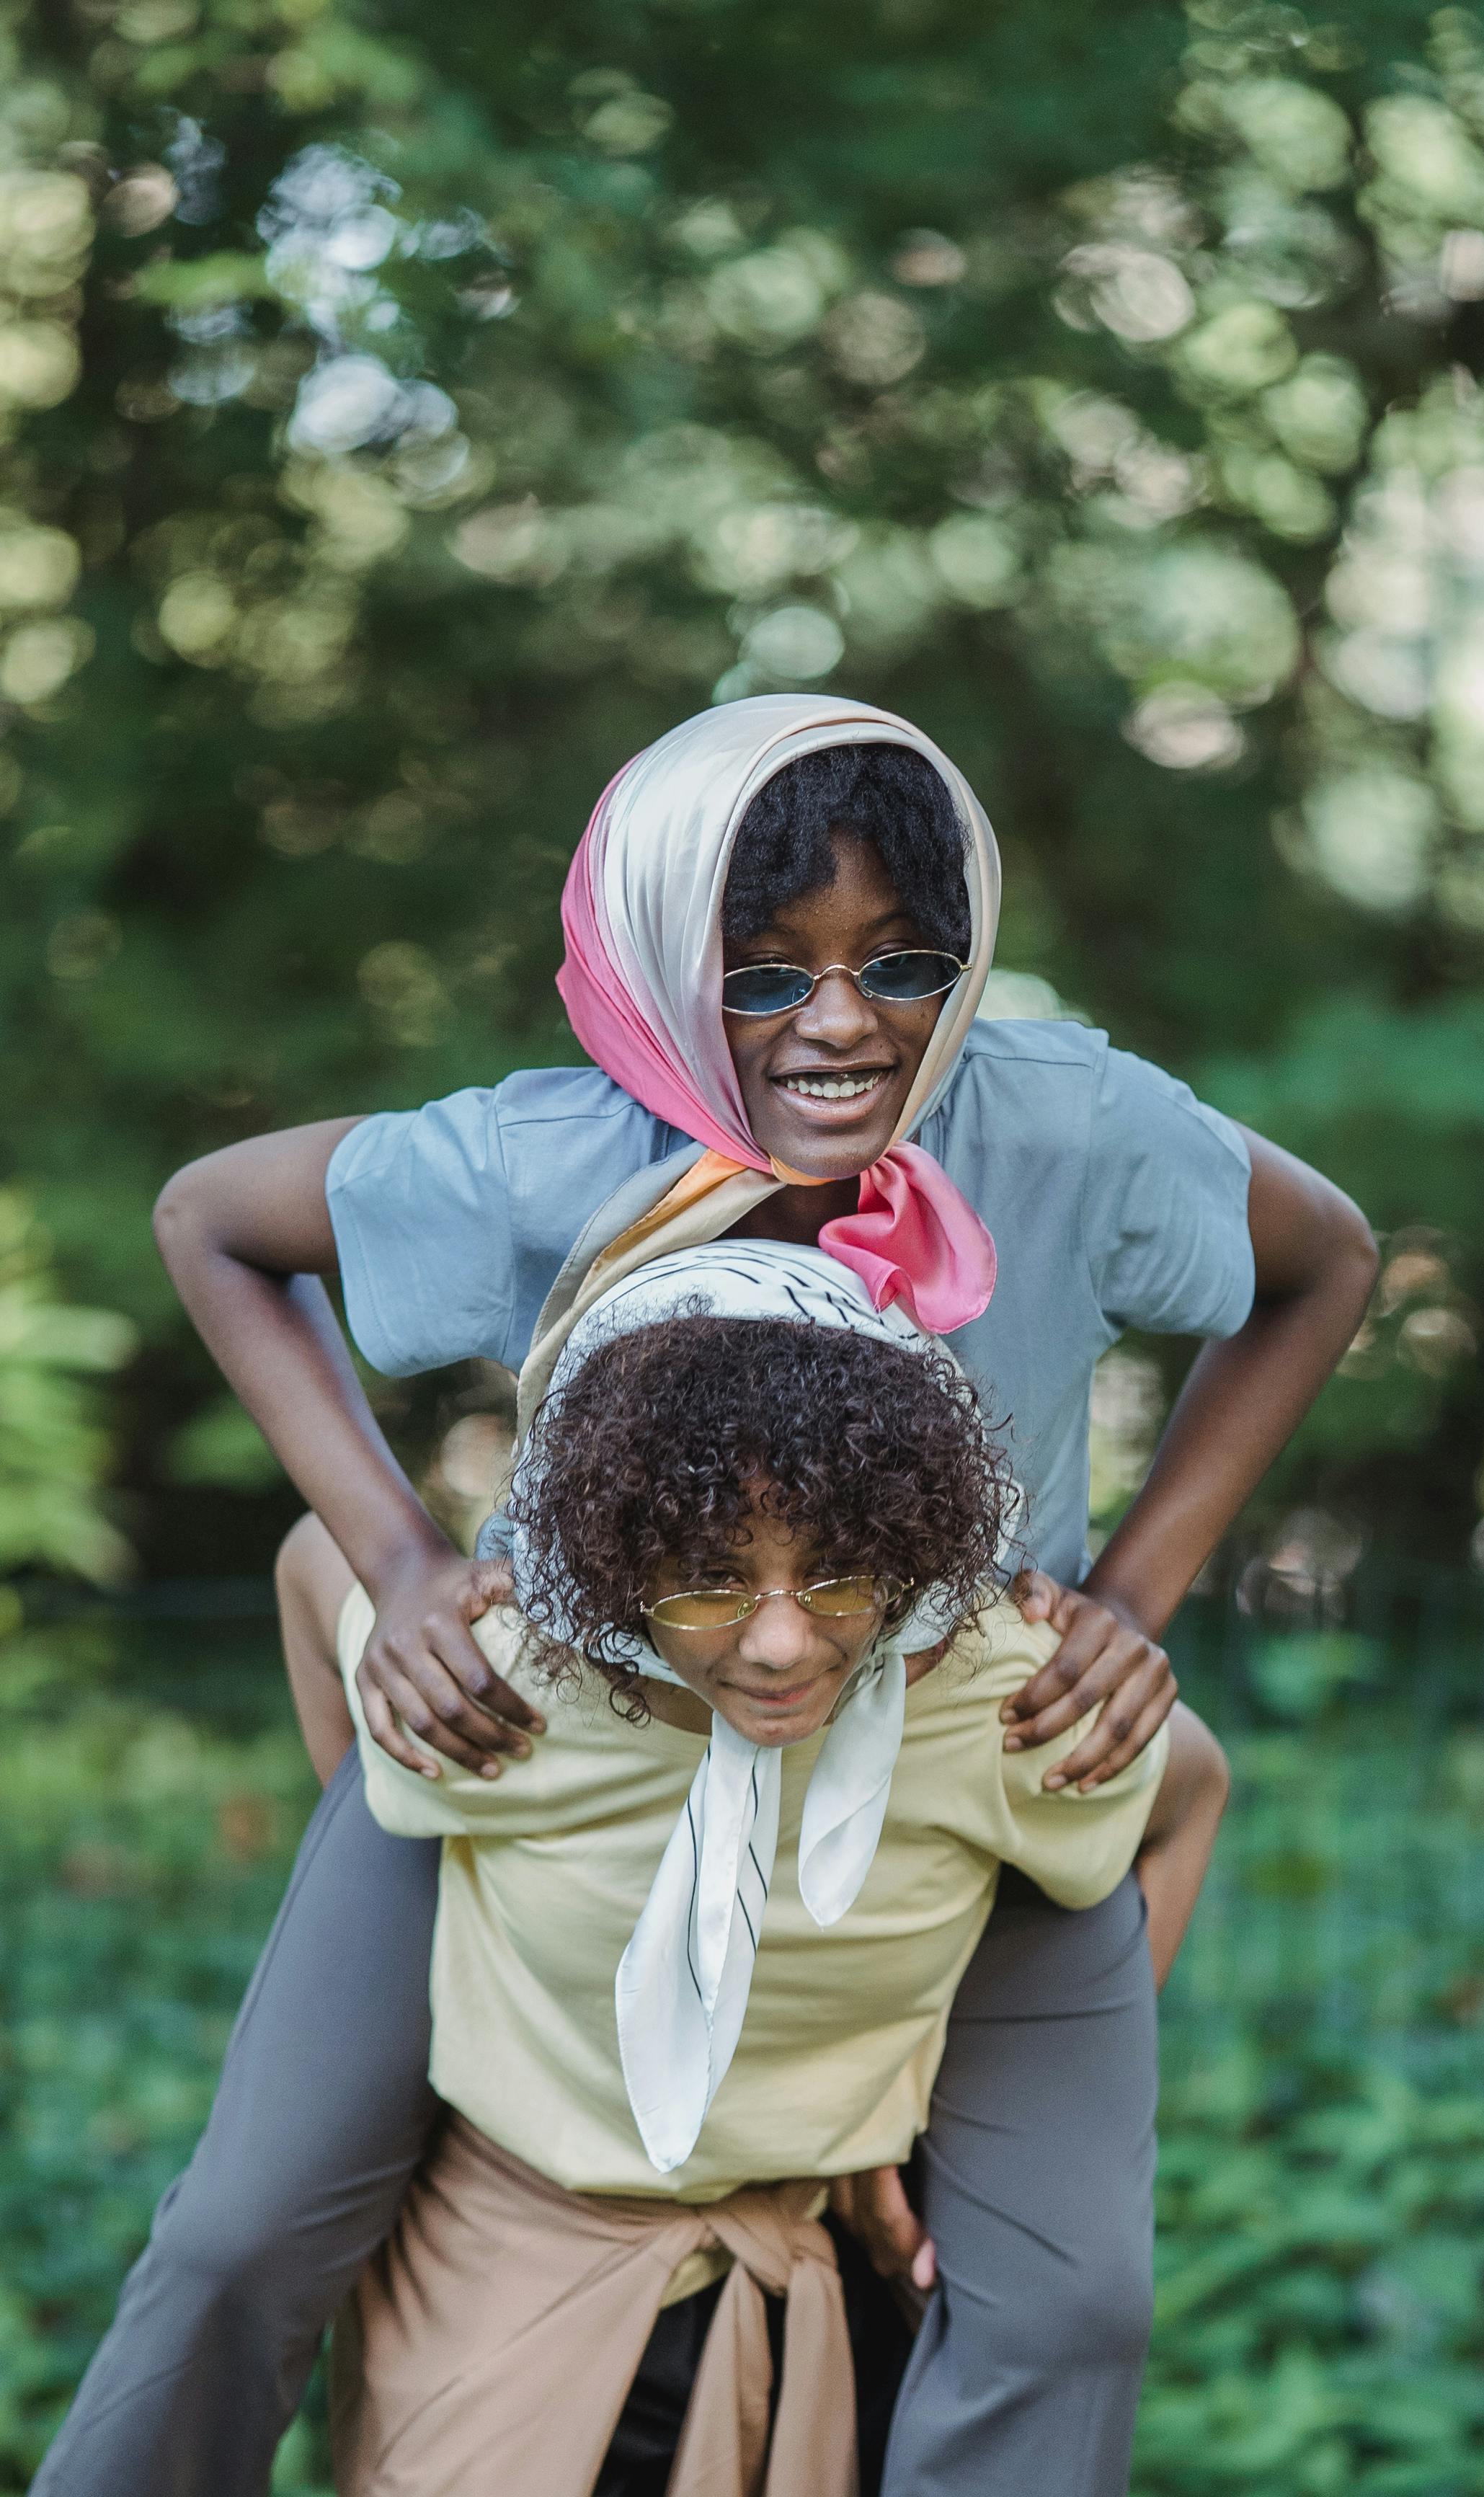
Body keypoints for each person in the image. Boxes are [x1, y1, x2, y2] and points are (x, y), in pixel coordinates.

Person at [35, 695, 1377, 2497]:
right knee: (242, 2234)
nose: (840, 1018)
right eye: (764, 972)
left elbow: (1326, 1262)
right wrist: (406, 1558)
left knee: (1073, 2307)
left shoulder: (1066, 1123)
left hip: (957, 1759)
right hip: (557, 1734)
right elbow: (215, 1218)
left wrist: (1136, 1590)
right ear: (674, 955)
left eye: (904, 960)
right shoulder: (549, 1152)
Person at [279, 1239, 1230, 2497]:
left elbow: (1187, 1793)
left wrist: (993, 2131)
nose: (782, 1642)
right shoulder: (503, 1678)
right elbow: (312, 1565)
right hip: (507, 2268)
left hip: (820, 2271)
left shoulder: (985, 1693)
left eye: (835, 1577)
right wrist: (392, 1847)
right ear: (622, 1557)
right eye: (713, 1582)